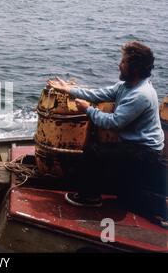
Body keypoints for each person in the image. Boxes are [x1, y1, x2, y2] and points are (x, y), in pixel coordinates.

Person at [47, 41, 167, 225]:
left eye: (124, 62)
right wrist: (69, 90)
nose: (119, 64)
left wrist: (88, 110)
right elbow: (100, 94)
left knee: (95, 151)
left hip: (145, 151)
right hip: (134, 145)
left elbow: (114, 123)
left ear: (134, 68)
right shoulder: (126, 86)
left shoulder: (140, 95)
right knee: (101, 150)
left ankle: (88, 197)